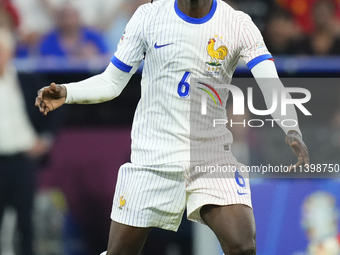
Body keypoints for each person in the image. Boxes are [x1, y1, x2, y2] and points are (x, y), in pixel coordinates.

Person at [35, 0, 310, 254]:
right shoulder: (148, 17)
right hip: (153, 159)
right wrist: (67, 92)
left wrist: (291, 127)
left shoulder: (238, 24)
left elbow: (271, 84)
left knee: (243, 247)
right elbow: (111, 82)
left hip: (211, 157)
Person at [0, 27, 53, 255]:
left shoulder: (26, 79)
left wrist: (45, 138)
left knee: (26, 221)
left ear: (10, 52)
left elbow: (55, 105)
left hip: (24, 159)